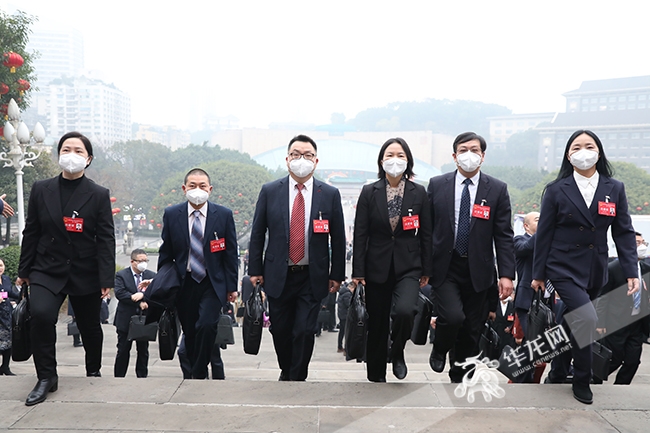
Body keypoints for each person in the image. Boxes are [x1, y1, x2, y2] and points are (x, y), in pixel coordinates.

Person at [532, 129, 638, 404]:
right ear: (569, 155)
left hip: (595, 268)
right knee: (587, 319)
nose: (583, 151)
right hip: (562, 265)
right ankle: (581, 378)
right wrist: (539, 274)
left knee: (571, 320)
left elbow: (624, 232)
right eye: (576, 147)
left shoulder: (614, 188)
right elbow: (543, 234)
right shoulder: (557, 189)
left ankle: (556, 372)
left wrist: (631, 271)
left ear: (598, 152)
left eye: (588, 145)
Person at [16, 131, 115, 406]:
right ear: (59, 154)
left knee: (89, 327)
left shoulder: (98, 194)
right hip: (47, 267)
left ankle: (93, 369)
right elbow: (32, 231)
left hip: (85, 270)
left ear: (89, 159)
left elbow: (106, 237)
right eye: (67, 149)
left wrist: (106, 277)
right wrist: (24, 271)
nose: (72, 155)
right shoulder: (41, 189)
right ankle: (46, 376)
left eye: (79, 151)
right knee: (42, 316)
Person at [248, 134, 346, 381]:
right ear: (287, 159)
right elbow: (258, 233)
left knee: (304, 329)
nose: (301, 159)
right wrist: (255, 270)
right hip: (278, 274)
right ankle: (287, 369)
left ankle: (297, 375)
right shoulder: (270, 191)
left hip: (311, 275)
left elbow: (338, 236)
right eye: (296, 154)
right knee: (280, 329)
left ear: (316, 160)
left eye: (307, 155)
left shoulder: (329, 194)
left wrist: (336, 274)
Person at [427, 132, 515, 383]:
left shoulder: (497, 189)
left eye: (474, 150)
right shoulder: (437, 184)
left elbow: (504, 234)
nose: (469, 155)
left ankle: (460, 376)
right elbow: (427, 229)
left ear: (483, 156)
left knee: (471, 328)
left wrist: (507, 274)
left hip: (479, 269)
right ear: (454, 156)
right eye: (463, 150)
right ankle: (440, 347)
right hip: (445, 266)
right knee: (453, 316)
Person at [352, 137, 433, 382]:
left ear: (408, 160)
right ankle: (376, 374)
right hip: (376, 266)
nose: (394, 160)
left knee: (406, 312)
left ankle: (397, 351)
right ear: (381, 160)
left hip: (409, 266)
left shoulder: (418, 192)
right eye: (390, 155)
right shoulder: (369, 191)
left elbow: (427, 233)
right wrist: (358, 272)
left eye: (400, 155)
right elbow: (360, 234)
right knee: (377, 322)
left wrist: (426, 268)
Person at [158, 168, 238, 379]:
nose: (197, 190)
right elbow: (166, 253)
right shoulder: (172, 214)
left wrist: (232, 287)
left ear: (210, 189)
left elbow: (231, 254)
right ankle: (194, 371)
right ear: (184, 189)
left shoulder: (223, 215)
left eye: (202, 186)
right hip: (184, 283)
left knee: (206, 325)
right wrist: (161, 283)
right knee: (191, 331)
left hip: (212, 283)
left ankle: (199, 372)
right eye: (192, 186)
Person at [595, 232, 650, 384]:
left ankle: (621, 386)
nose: (643, 246)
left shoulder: (645, 269)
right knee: (615, 359)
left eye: (644, 242)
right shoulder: (613, 268)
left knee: (633, 361)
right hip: (616, 322)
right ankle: (593, 379)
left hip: (637, 323)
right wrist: (600, 323)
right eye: (638, 243)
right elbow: (603, 298)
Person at [113, 249, 156, 378]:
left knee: (143, 350)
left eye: (145, 260)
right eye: (140, 261)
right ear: (132, 262)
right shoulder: (121, 275)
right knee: (123, 350)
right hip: (126, 318)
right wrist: (136, 301)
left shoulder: (152, 275)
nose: (144, 263)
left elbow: (157, 293)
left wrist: (143, 296)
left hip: (144, 319)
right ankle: (119, 376)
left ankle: (142, 376)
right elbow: (120, 293)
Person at [513, 211, 540, 335]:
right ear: (526, 226)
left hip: (545, 298)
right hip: (527, 299)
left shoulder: (547, 244)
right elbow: (527, 248)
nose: (541, 222)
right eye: (537, 220)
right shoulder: (519, 240)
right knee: (532, 339)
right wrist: (543, 229)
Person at [0, 257, 20, 375]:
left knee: (9, 341)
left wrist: (21, 296)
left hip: (7, 314)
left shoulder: (6, 279)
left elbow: (10, 293)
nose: (0, 268)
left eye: (1, 265)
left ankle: (5, 367)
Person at [336, 279, 353, 354]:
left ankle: (340, 346)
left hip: (341, 314)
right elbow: (348, 304)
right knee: (347, 332)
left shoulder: (342, 292)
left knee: (342, 331)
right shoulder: (347, 294)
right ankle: (346, 349)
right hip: (345, 315)